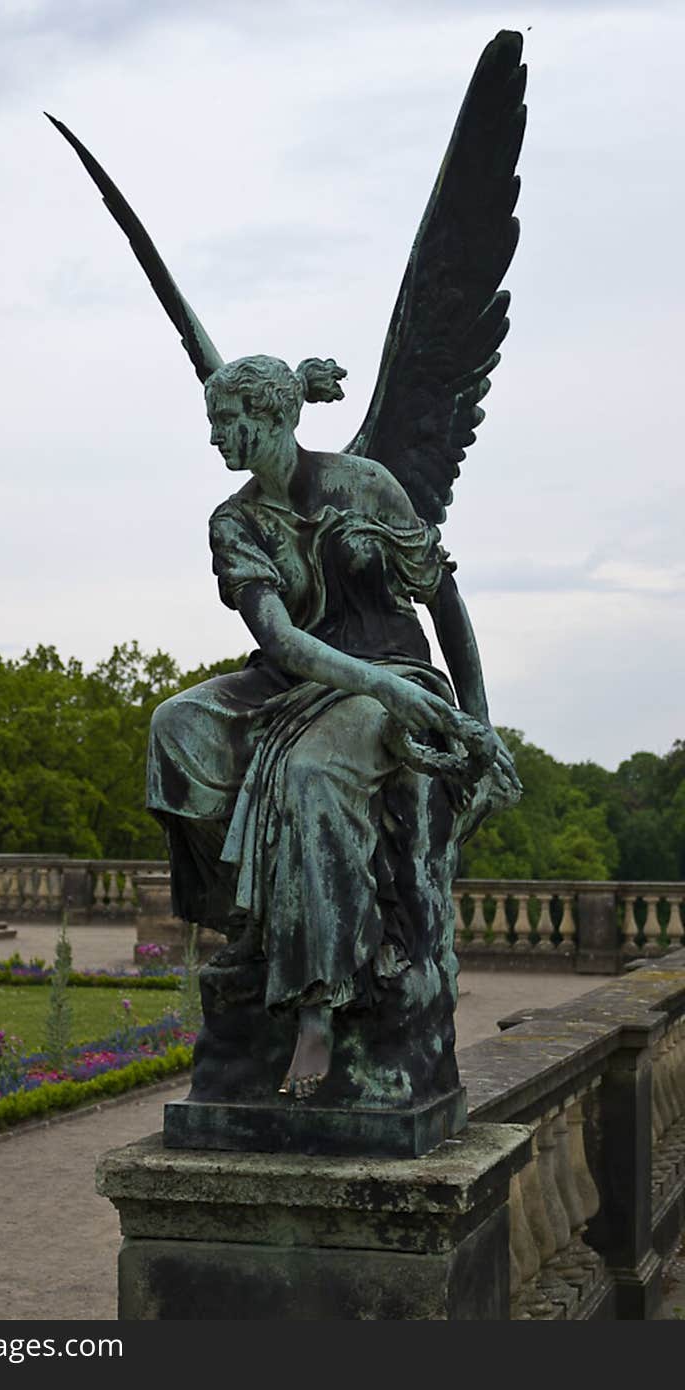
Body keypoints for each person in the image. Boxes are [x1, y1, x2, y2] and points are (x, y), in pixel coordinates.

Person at [146, 353, 520, 1100]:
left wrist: (477, 724)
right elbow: (281, 642)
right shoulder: (236, 520)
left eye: (229, 421)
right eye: (213, 421)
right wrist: (373, 685)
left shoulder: (367, 484)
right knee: (175, 727)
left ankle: (319, 1003)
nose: (217, 437)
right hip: (301, 677)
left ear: (276, 416)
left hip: (398, 679)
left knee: (313, 772)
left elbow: (442, 598)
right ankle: (254, 926)